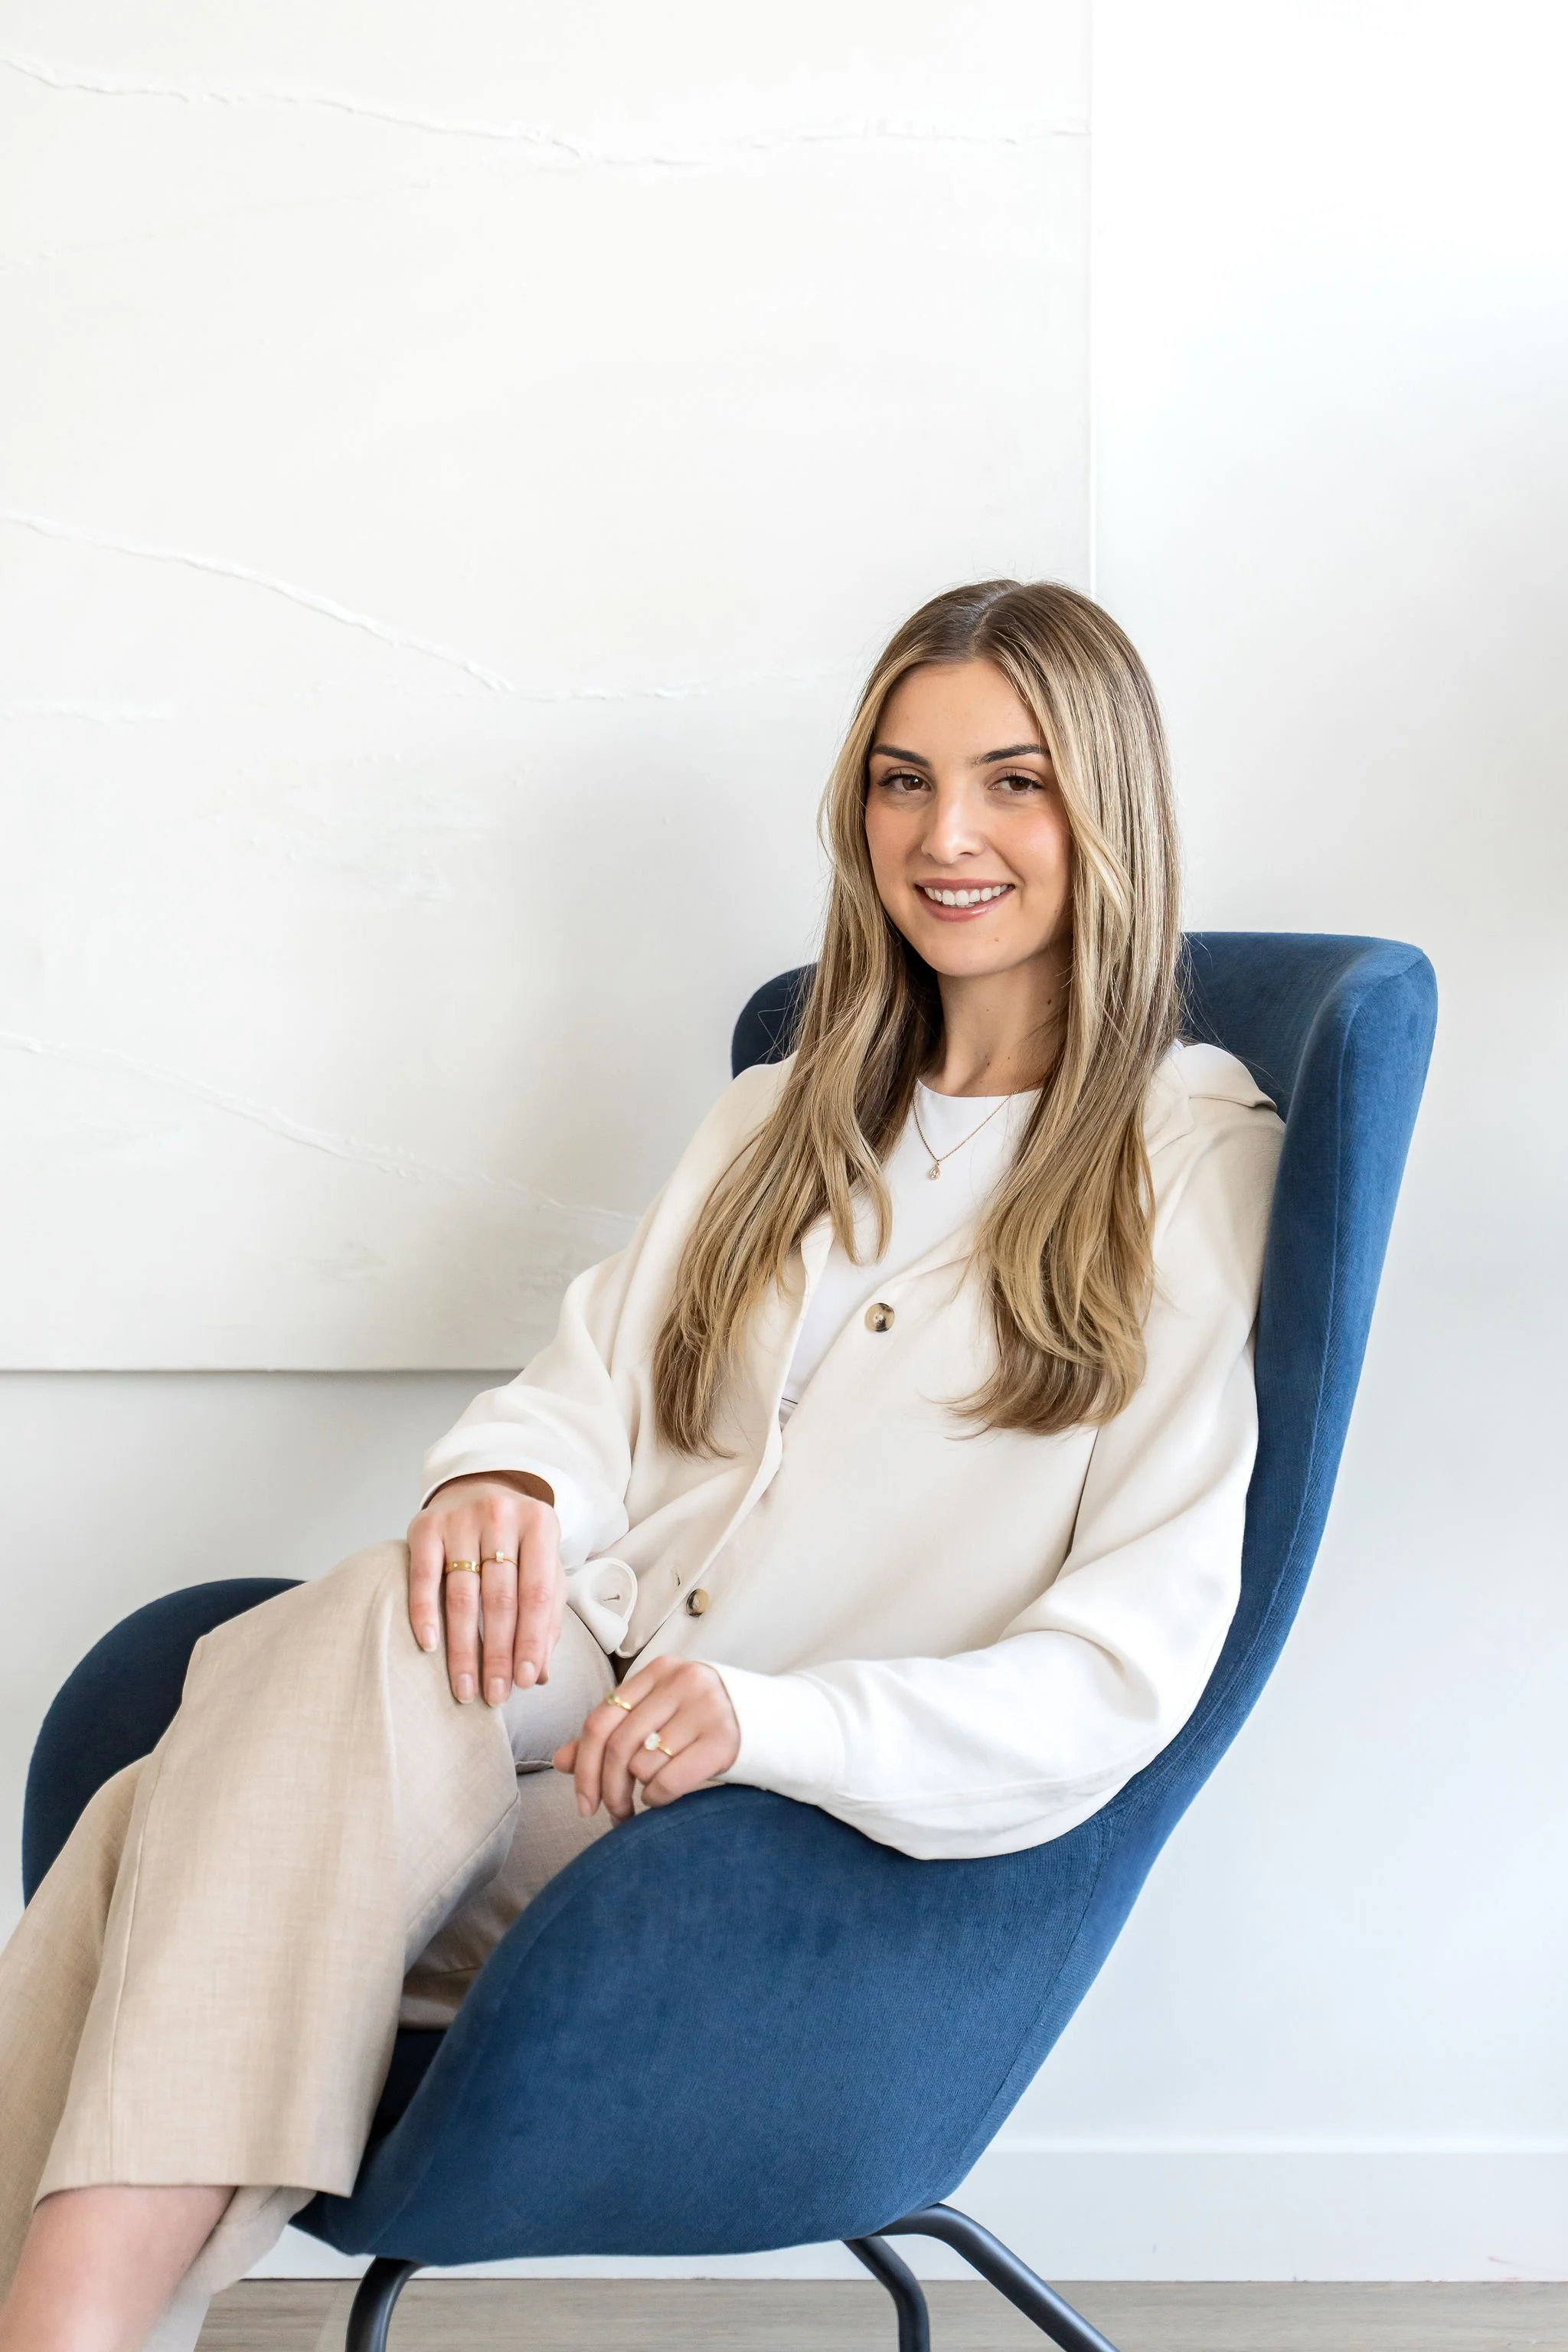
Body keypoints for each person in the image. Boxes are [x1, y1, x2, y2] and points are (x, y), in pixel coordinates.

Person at [0, 580, 1282, 2352]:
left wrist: (770, 1723)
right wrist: (505, 1493)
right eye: (901, 781)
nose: (945, 837)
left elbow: (1122, 1676)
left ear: (1107, 808)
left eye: (1013, 782)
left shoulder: (1188, 1164)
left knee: (166, 1825)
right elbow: (586, 1394)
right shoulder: (780, 1111)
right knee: (381, 1608)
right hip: (580, 1685)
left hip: (765, 1841)